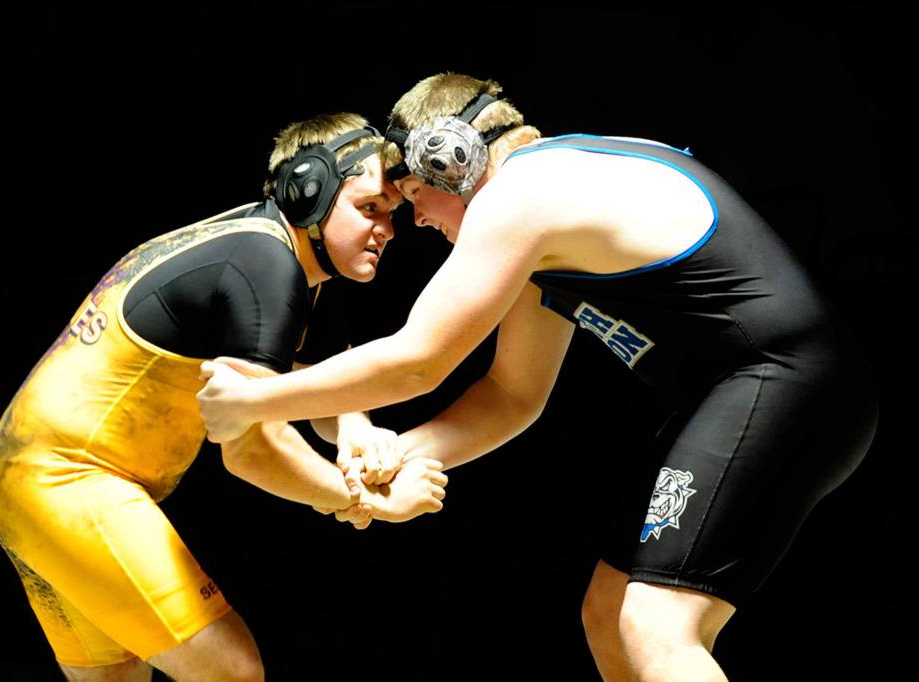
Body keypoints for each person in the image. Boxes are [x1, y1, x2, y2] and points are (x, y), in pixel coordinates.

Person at [197, 75, 879, 680]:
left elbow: (418, 361)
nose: (419, 222)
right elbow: (511, 397)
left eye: (413, 196)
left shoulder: (527, 194)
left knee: (655, 627)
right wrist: (394, 454)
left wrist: (256, 398)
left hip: (783, 381)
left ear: (452, 158)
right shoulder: (547, 219)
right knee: (610, 616)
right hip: (760, 390)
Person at [0, 112, 447, 682]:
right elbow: (252, 450)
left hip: (26, 484)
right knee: (233, 672)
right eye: (369, 207)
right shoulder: (267, 268)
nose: (388, 229)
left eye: (392, 214)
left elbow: (316, 376)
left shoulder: (262, 248)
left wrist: (356, 431)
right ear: (309, 190)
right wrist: (366, 502)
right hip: (70, 485)